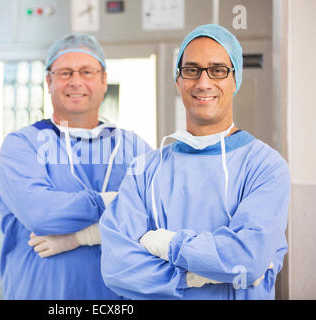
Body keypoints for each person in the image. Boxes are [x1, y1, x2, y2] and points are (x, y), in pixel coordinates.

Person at [99, 24, 290, 300]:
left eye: (218, 70)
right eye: (192, 70)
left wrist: (169, 245)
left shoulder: (265, 167)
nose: (203, 82)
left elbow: (247, 259)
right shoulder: (145, 171)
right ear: (178, 80)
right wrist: (195, 276)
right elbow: (117, 267)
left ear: (235, 80)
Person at [0, 33, 152, 299]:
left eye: (87, 72)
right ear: (49, 81)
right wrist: (112, 202)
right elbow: (41, 215)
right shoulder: (22, 146)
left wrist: (80, 236)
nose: (76, 81)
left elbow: (155, 219)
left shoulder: (134, 148)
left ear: (104, 80)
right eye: (65, 72)